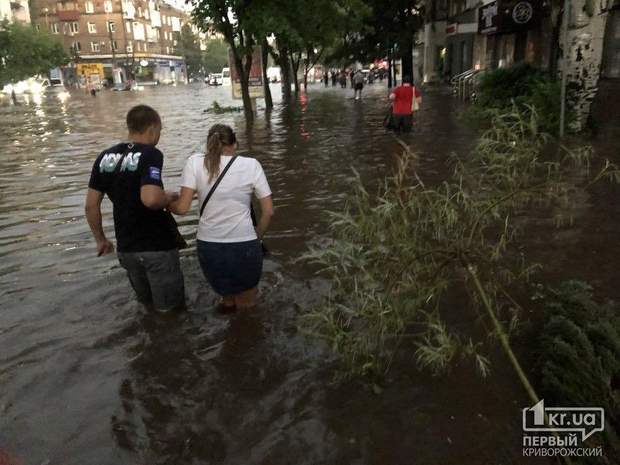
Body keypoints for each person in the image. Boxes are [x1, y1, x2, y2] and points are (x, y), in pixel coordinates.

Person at [85, 105, 185, 312]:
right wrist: (169, 197)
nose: (159, 135)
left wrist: (101, 239)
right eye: (160, 130)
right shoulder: (151, 154)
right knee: (171, 313)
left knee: (147, 307)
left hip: (127, 249)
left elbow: (90, 205)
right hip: (157, 246)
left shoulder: (105, 157)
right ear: (152, 128)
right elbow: (150, 199)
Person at [169, 124, 274, 310]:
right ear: (235, 143)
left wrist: (166, 201)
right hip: (244, 244)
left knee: (227, 301)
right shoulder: (251, 165)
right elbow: (268, 211)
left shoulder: (194, 162)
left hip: (209, 246)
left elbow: (182, 208)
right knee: (247, 306)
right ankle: (245, 336)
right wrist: (257, 236)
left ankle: (228, 334)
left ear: (209, 144)